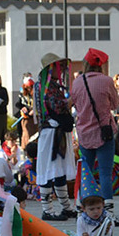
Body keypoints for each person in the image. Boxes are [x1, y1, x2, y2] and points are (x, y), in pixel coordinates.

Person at [70, 48, 119, 224]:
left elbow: (74, 104)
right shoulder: (106, 81)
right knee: (105, 173)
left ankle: (82, 209)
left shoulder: (77, 82)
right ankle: (109, 212)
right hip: (104, 133)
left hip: (84, 133)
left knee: (86, 172)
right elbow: (115, 104)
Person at [34, 54, 77, 221]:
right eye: (60, 66)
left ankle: (66, 207)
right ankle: (48, 210)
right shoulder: (46, 86)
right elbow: (57, 107)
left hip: (55, 133)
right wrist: (71, 101)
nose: (63, 69)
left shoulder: (48, 85)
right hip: (51, 134)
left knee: (59, 170)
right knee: (47, 170)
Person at [73, 170, 119, 236]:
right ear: (84, 209)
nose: (96, 212)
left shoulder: (107, 218)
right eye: (91, 209)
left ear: (103, 205)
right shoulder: (81, 220)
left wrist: (107, 232)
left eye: (98, 208)